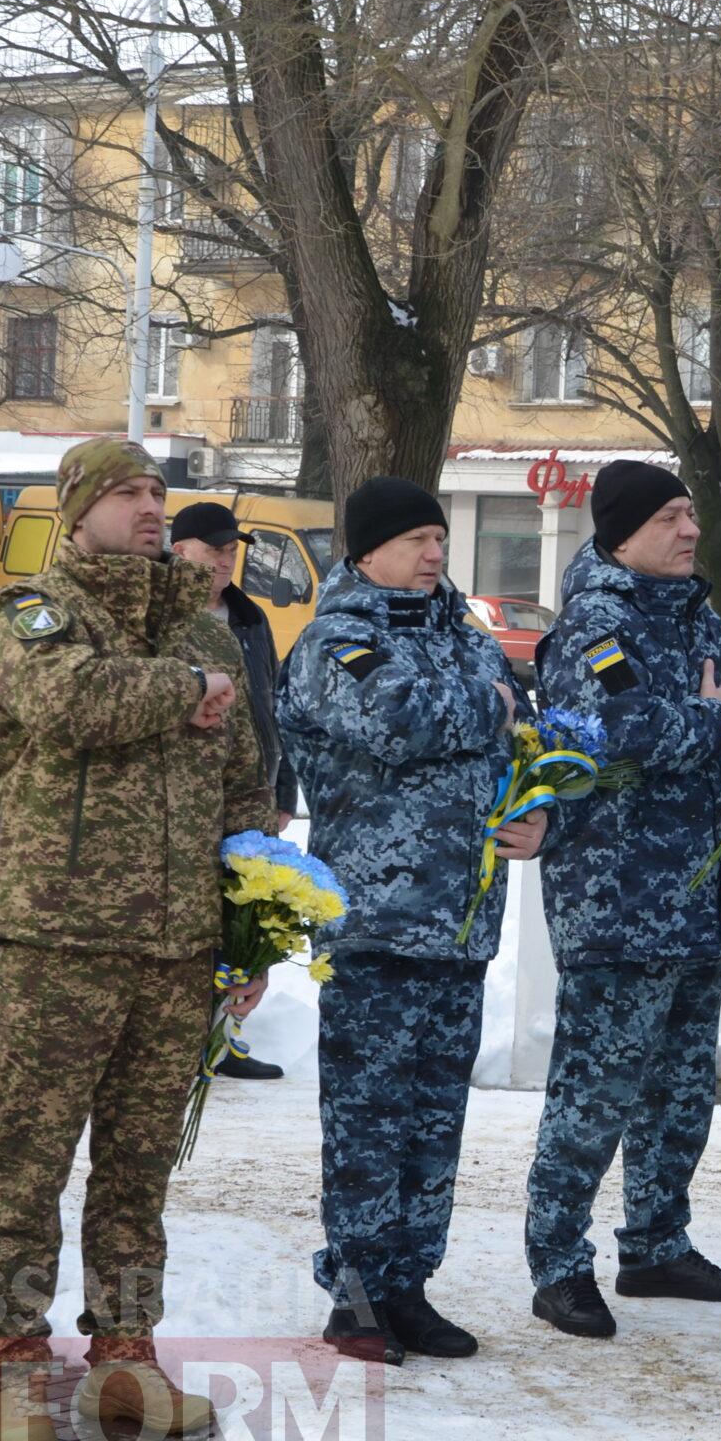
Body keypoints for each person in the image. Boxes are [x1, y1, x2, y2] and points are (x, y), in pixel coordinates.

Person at [0, 438, 271, 1441]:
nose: (151, 508)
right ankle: (17, 1365)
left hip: (179, 942)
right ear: (76, 509)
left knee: (139, 1171)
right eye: (127, 493)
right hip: (63, 936)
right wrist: (184, 686)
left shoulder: (209, 634)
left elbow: (246, 788)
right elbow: (74, 700)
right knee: (32, 1160)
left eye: (157, 491)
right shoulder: (30, 615)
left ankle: (124, 1363)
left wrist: (251, 926)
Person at [279, 477, 543, 1364]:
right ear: (366, 550)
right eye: (418, 539)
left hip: (460, 923)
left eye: (440, 537)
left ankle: (408, 1286)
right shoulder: (337, 640)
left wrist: (541, 812)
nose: (436, 552)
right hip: (378, 923)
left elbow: (532, 737)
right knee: (367, 1120)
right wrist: (495, 709)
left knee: (435, 1120)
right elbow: (396, 722)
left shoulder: (463, 639)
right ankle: (354, 1296)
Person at [526, 463, 721, 1337]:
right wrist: (710, 723)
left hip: (694, 892)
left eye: (690, 514)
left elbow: (696, 747)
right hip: (618, 896)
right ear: (622, 532)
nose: (690, 530)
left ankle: (655, 1243)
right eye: (672, 517)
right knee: (596, 1093)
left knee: (680, 1092)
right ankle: (559, 1262)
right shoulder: (597, 622)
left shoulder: (697, 617)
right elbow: (617, 735)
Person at [169, 502, 297, 1083]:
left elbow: (272, 706)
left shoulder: (248, 617)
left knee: (241, 911)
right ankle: (181, 1037)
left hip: (251, 787)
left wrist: (282, 786)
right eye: (214, 549)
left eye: (231, 550)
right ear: (180, 552)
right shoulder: (162, 617)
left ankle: (223, 1037)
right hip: (189, 792)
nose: (225, 560)